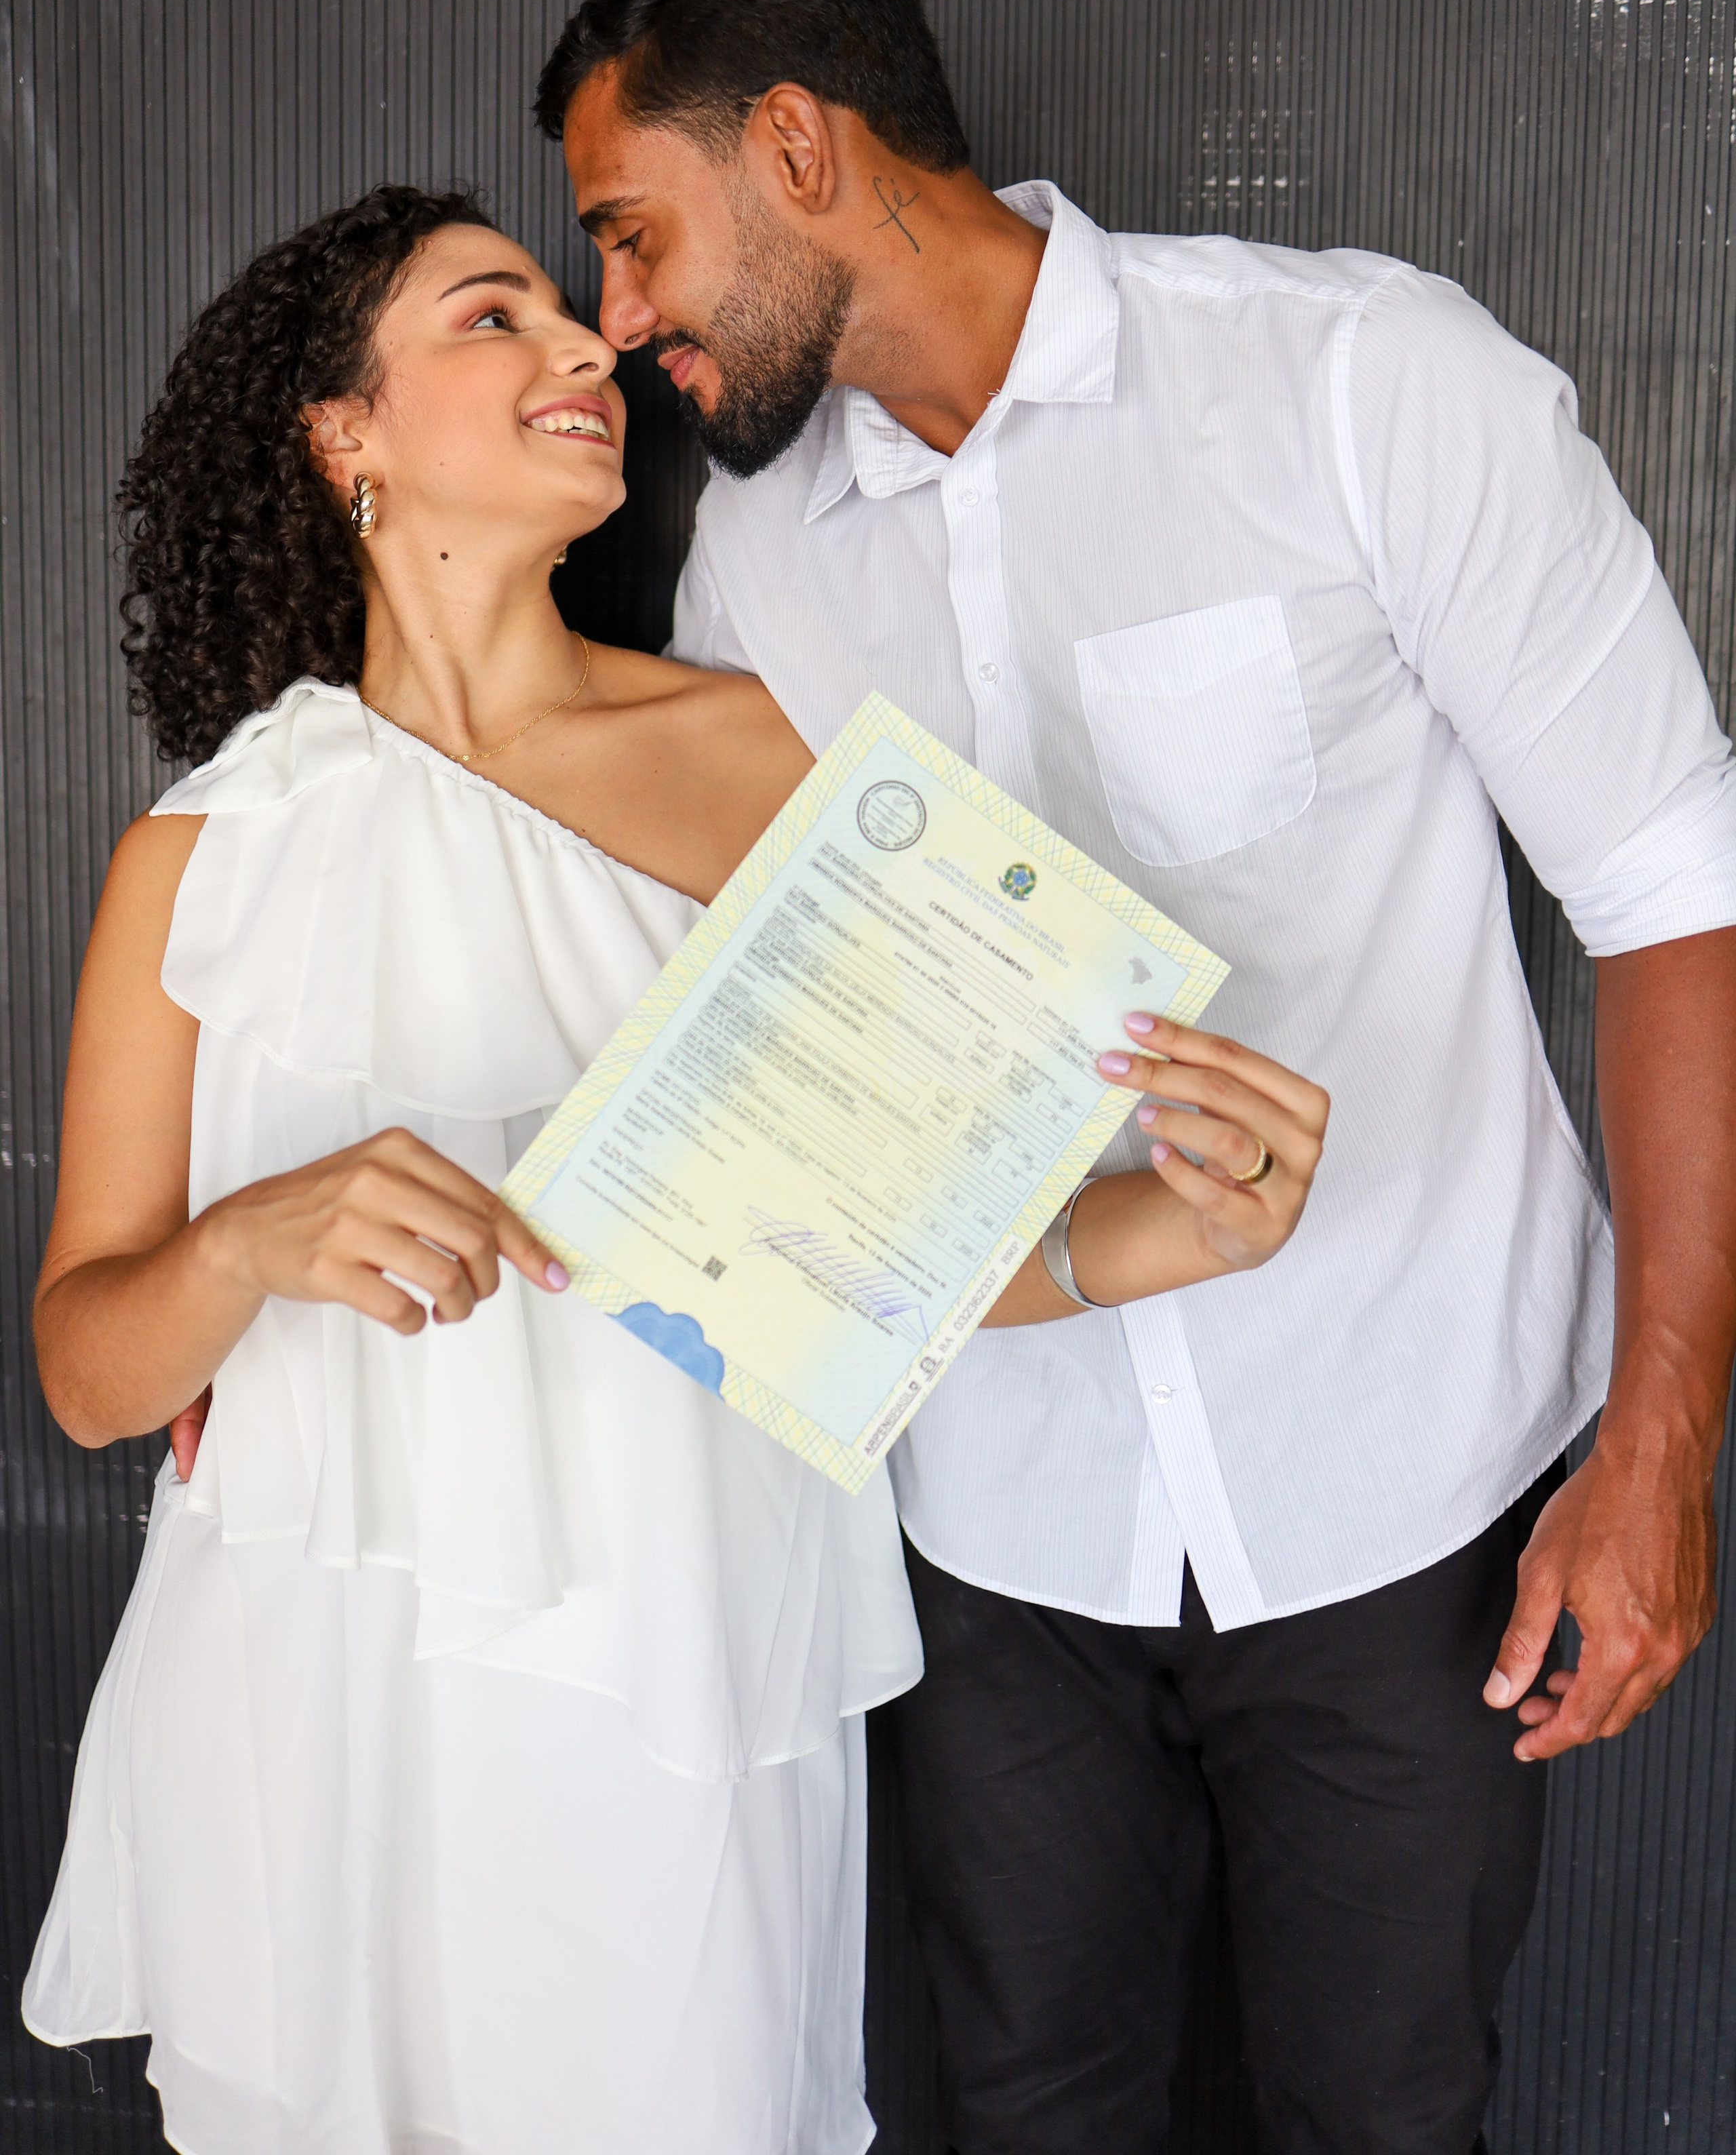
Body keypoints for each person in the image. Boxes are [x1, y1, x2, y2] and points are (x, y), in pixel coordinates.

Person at [534, 0, 1736, 2153]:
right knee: (1034, 2120)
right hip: (998, 1536)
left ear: (797, 145)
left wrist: (1659, 1445)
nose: (619, 326)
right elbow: (712, 1048)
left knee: (1382, 2118)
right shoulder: (757, 561)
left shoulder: (1367, 386)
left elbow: (1675, 893)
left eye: (629, 236)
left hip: (1408, 1504)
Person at [24, 184, 1326, 2155]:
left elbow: (883, 1252)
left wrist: (1182, 1228)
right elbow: (90, 1374)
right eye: (495, 319)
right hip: (316, 1672)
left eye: (581, 317)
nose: (586, 350)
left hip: (684, 1634)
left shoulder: (774, 756)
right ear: (341, 432)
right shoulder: (202, 859)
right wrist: (249, 1243)